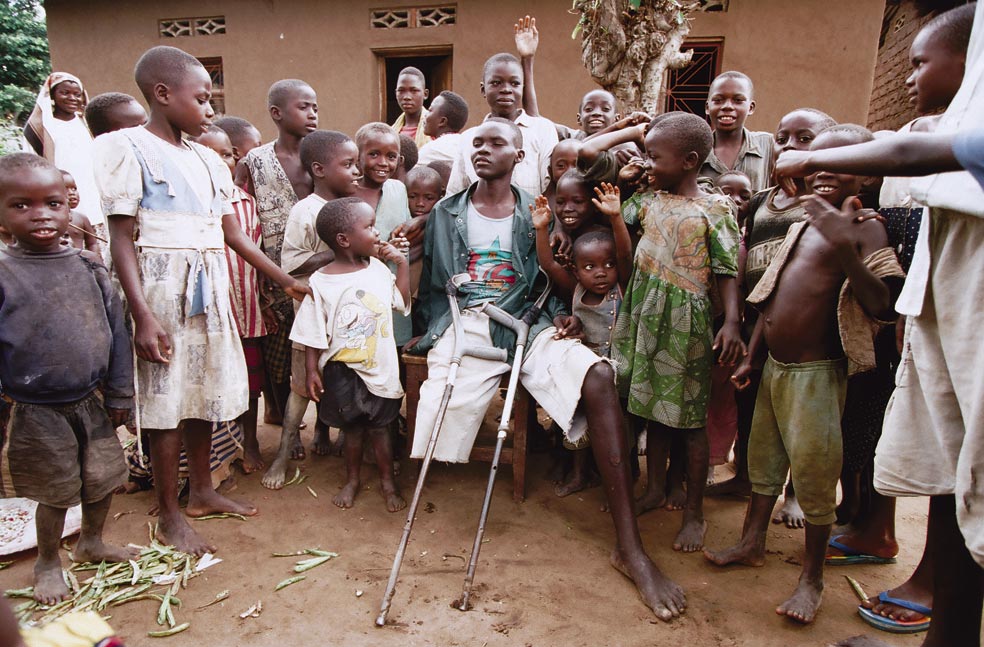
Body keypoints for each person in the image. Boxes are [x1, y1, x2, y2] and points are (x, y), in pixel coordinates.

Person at [410, 117, 686, 621]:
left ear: (519, 155)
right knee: (442, 400)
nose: (483, 150)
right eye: (478, 143)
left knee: (599, 376)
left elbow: (557, 278)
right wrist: (427, 329)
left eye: (497, 143)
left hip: (526, 319)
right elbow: (432, 281)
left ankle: (630, 546)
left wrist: (564, 313)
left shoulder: (538, 213)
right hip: (464, 321)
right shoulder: (447, 210)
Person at [93, 45, 308, 555]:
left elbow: (233, 234)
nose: (210, 111)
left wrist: (283, 279)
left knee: (203, 393)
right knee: (167, 401)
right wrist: (142, 315)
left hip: (210, 288)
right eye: (202, 99)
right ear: (162, 95)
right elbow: (122, 237)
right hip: (161, 287)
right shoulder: (127, 147)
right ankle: (169, 513)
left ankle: (202, 491)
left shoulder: (208, 160)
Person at [706, 125, 904, 626]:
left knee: (815, 475)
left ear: (867, 174)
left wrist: (843, 248)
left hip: (817, 373)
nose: (822, 172)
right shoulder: (803, 221)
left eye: (839, 163)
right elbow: (769, 295)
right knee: (764, 459)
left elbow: (884, 303)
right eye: (815, 162)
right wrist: (752, 354)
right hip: (775, 365)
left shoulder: (866, 226)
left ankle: (811, 578)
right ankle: (752, 541)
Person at [826, 6, 974, 636]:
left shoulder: (943, 143)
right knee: (894, 438)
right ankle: (873, 528)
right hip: (919, 320)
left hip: (916, 318)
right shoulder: (922, 130)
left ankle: (921, 571)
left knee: (947, 457)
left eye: (922, 62)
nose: (911, 75)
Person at [0, 152, 135, 604]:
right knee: (55, 490)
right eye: (21, 205)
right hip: (37, 408)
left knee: (104, 476)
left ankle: (91, 542)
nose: (41, 214)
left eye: (52, 203)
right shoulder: (4, 273)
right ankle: (47, 561)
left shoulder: (89, 267)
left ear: (68, 206)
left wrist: (121, 392)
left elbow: (117, 331)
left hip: (91, 399)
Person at [610, 112, 744, 555]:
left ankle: (694, 513)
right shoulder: (646, 201)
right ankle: (653, 490)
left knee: (688, 419)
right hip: (644, 313)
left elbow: (726, 268)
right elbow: (613, 208)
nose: (648, 163)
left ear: (689, 160)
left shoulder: (716, 208)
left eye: (655, 156)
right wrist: (628, 176)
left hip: (686, 321)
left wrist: (730, 322)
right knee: (651, 406)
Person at [706, 108, 837, 527]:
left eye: (805, 139)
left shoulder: (822, 205)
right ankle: (744, 476)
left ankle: (795, 494)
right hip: (754, 320)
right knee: (752, 407)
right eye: (783, 138)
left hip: (804, 329)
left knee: (799, 421)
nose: (790, 147)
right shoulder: (763, 201)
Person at [292, 197, 410, 511]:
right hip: (342, 371)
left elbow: (400, 301)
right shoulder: (321, 281)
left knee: (382, 427)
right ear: (344, 239)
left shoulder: (378, 270)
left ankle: (387, 482)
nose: (377, 232)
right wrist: (311, 370)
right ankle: (353, 479)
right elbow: (311, 330)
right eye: (369, 226)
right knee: (353, 430)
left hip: (380, 367)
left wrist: (401, 264)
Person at [262, 130, 362, 489]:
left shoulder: (355, 206)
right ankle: (283, 455)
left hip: (350, 318)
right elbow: (291, 268)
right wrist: (338, 249)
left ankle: (328, 434)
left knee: (343, 380)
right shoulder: (305, 212)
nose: (357, 172)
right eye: (348, 165)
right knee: (302, 387)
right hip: (312, 318)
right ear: (319, 169)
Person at [531, 182, 632, 497]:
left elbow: (626, 251)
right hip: (585, 377)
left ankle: (620, 485)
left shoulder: (622, 286)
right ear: (576, 269)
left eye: (608, 264)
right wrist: (542, 228)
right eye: (590, 267)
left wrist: (616, 218)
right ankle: (579, 475)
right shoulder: (575, 287)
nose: (601, 273)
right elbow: (548, 263)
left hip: (623, 375)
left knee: (621, 435)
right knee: (578, 431)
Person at [236, 79, 318, 434]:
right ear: (276, 113)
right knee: (278, 355)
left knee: (315, 351)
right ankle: (285, 420)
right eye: (303, 107)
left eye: (315, 106)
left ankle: (321, 425)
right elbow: (241, 220)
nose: (312, 113)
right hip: (270, 278)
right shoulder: (254, 162)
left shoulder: (322, 155)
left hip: (317, 273)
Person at [197, 124, 268, 475]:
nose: (219, 161)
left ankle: (249, 441)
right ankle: (215, 450)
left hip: (245, 309)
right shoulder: (189, 201)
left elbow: (255, 249)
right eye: (209, 154)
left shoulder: (246, 202)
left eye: (225, 154)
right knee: (210, 383)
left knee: (249, 383)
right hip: (209, 312)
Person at [446, 53, 558, 198]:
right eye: (496, 83)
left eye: (515, 83)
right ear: (483, 89)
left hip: (533, 218)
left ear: (523, 89)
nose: (506, 89)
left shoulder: (542, 129)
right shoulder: (469, 138)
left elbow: (552, 187)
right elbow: (455, 194)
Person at [705, 171, 753, 476]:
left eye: (743, 195)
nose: (734, 200)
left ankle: (713, 459)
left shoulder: (748, 241)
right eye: (726, 192)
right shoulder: (703, 232)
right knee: (702, 396)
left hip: (731, 330)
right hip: (701, 325)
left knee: (724, 398)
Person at [22, 73, 105, 244]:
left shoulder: (86, 123)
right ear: (52, 95)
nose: (72, 98)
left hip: (92, 189)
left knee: (95, 238)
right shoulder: (42, 126)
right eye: (65, 93)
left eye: (77, 94)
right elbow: (30, 163)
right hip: (62, 188)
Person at [352, 122, 413, 347]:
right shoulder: (347, 191)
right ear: (357, 155)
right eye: (374, 154)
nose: (383, 163)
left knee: (391, 346)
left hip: (394, 288)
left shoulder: (397, 189)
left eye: (391, 156)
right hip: (357, 291)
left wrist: (400, 243)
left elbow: (405, 231)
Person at [699, 71, 774, 192]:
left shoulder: (767, 145)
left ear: (751, 107)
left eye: (738, 100)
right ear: (707, 107)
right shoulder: (697, 150)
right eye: (718, 100)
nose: (727, 106)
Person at [392, 164, 444, 301]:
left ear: (441, 196)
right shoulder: (398, 218)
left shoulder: (442, 223)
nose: (420, 203)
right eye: (413, 196)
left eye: (428, 198)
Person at [417, 90, 469, 166]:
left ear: (442, 121)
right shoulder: (465, 144)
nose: (425, 115)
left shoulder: (432, 150)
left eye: (430, 110)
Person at [60, 170, 101, 254]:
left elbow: (92, 243)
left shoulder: (81, 219)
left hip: (80, 262)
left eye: (74, 188)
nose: (72, 193)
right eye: (65, 189)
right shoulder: (52, 219)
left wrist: (93, 261)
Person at [391, 66, 430, 149]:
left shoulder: (435, 130)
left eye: (414, 91)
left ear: (425, 94)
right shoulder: (391, 132)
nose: (407, 97)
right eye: (401, 91)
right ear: (396, 93)